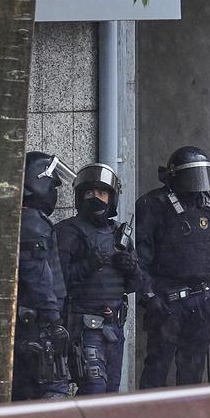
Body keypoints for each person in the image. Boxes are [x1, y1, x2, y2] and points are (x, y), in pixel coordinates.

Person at [136, 146, 210, 388]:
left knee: (192, 372)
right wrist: (149, 297)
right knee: (157, 369)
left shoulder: (208, 207)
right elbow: (141, 258)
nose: (198, 186)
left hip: (200, 302)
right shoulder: (153, 205)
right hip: (166, 302)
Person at [56, 163, 140, 394]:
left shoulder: (119, 234)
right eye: (89, 193)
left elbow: (137, 285)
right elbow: (57, 281)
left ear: (111, 198)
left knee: (109, 396)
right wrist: (87, 265)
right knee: (94, 389)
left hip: (114, 327)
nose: (96, 198)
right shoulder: (68, 232)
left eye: (102, 193)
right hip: (84, 328)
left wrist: (131, 267)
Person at [11, 151, 75, 401]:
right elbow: (38, 276)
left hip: (30, 322)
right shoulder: (34, 224)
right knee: (50, 393)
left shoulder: (20, 218)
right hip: (38, 325)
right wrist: (53, 320)